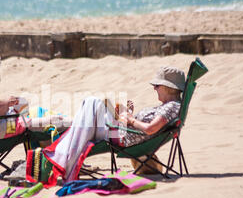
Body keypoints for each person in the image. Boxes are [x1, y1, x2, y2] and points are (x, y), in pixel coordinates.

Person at [27, 66, 186, 186]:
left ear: (168, 87)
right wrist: (126, 114)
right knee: (95, 106)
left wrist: (130, 119)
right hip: (122, 130)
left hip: (122, 138)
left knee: (92, 103)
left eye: (157, 86)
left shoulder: (171, 106)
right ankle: (66, 156)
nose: (154, 88)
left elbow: (150, 129)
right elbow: (145, 127)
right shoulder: (170, 105)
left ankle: (64, 159)